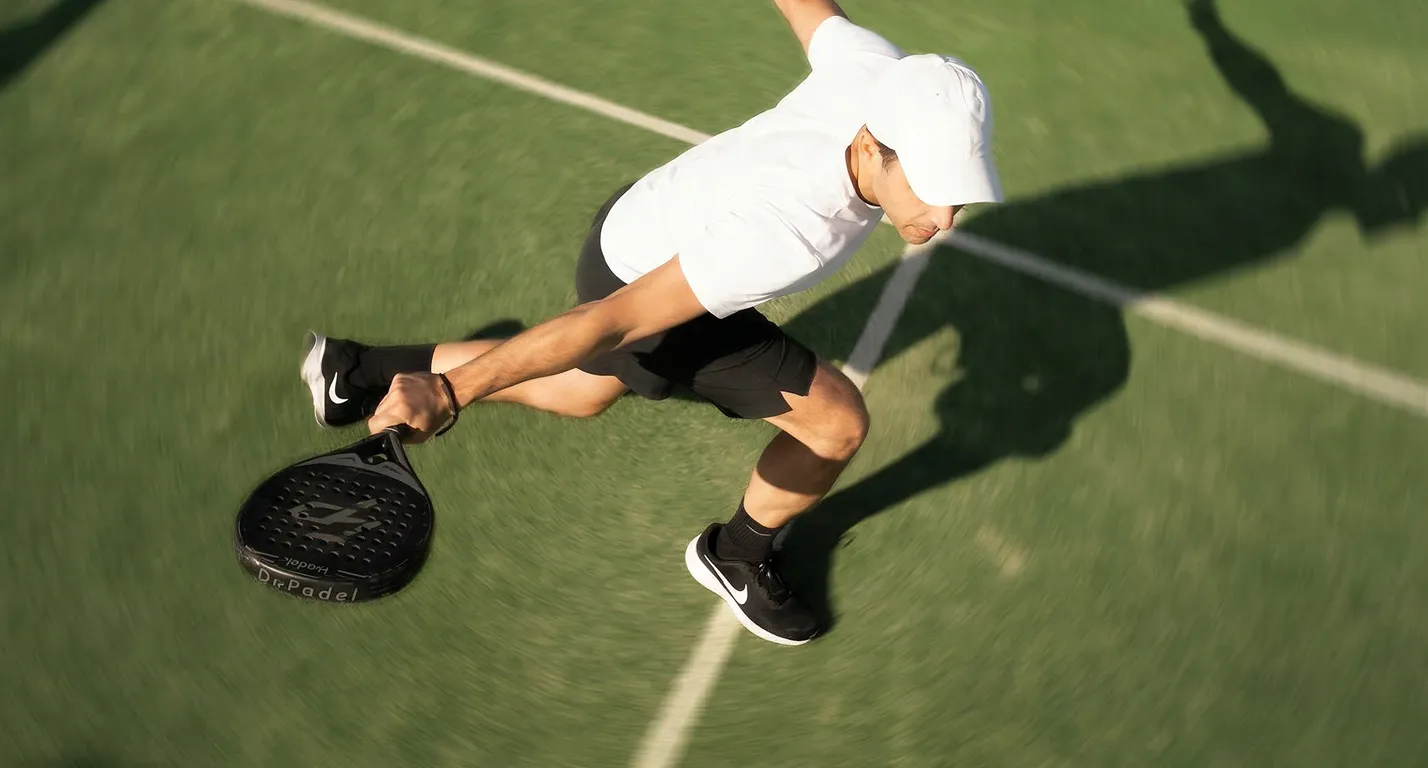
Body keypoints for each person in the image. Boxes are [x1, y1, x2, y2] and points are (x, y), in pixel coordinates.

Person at [298, 0, 1003, 646]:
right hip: (641, 277)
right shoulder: (791, 228)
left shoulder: (874, 72)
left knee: (584, 391)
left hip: (642, 217)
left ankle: (353, 370)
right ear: (875, 148)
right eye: (934, 189)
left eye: (960, 193)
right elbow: (609, 322)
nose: (943, 220)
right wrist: (453, 394)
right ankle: (734, 554)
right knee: (836, 422)